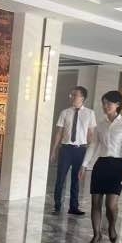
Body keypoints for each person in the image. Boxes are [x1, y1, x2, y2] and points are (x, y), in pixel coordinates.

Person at [82, 90, 122, 243]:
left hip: (118, 166)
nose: (105, 106)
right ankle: (96, 234)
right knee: (95, 202)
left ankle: (111, 226)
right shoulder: (101, 124)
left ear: (118, 104)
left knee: (111, 205)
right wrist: (84, 165)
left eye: (108, 103)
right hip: (101, 165)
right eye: (104, 103)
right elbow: (94, 145)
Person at [50, 86, 96, 215]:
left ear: (82, 98)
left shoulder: (90, 113)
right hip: (66, 149)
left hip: (80, 150)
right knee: (60, 178)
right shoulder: (65, 112)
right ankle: (57, 205)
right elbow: (59, 132)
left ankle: (73, 207)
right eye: (71, 95)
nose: (72, 97)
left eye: (75, 95)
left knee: (76, 179)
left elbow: (91, 133)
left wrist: (90, 152)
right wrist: (54, 150)